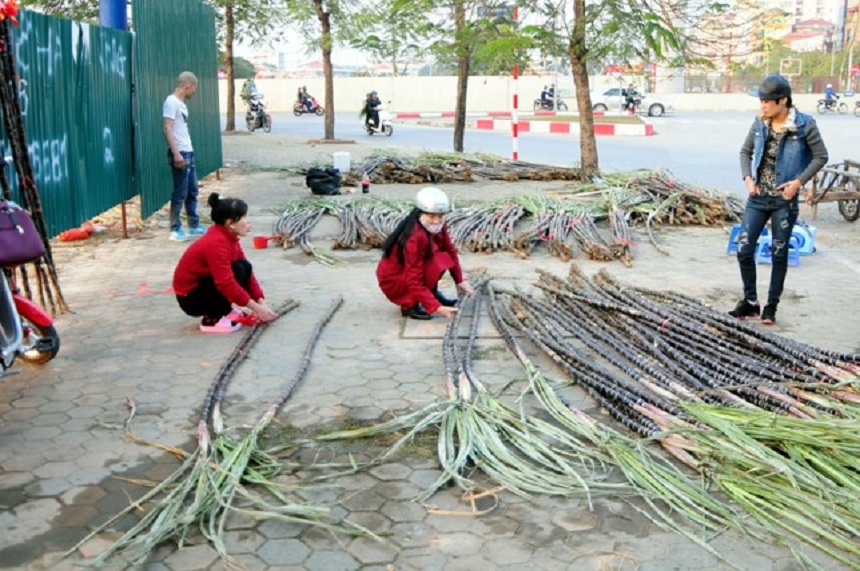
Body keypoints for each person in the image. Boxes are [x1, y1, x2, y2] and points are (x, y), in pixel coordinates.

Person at [731, 74, 828, 325]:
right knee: (743, 250)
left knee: (779, 253)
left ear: (783, 101)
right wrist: (748, 178)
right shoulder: (760, 123)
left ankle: (771, 305)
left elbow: (821, 156)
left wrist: (798, 182)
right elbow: (745, 151)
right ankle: (750, 302)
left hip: (784, 201)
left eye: (767, 101)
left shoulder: (804, 125)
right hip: (758, 198)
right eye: (761, 101)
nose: (762, 106)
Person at [173, 193, 278, 333]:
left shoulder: (229, 237)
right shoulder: (216, 243)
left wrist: (261, 301)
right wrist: (255, 308)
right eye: (244, 218)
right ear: (230, 223)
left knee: (243, 267)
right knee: (236, 271)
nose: (248, 222)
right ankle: (212, 318)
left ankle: (224, 310)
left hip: (203, 286)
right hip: (191, 299)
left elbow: (248, 273)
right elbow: (225, 283)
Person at [377, 187, 474, 320]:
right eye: (431, 216)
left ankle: (431, 293)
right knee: (434, 264)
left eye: (440, 216)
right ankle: (409, 306)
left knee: (441, 259)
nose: (436, 221)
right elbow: (413, 280)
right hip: (395, 279)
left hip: (410, 271)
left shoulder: (439, 225)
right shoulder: (415, 237)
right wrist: (436, 307)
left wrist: (459, 280)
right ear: (420, 213)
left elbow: (450, 250)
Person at [163, 71, 205, 242]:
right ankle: (175, 229)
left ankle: (194, 225)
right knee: (180, 191)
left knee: (192, 190)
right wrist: (176, 153)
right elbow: (167, 127)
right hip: (180, 152)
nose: (194, 92)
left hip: (188, 151)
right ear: (188, 86)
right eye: (193, 88)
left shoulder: (181, 104)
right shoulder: (171, 102)